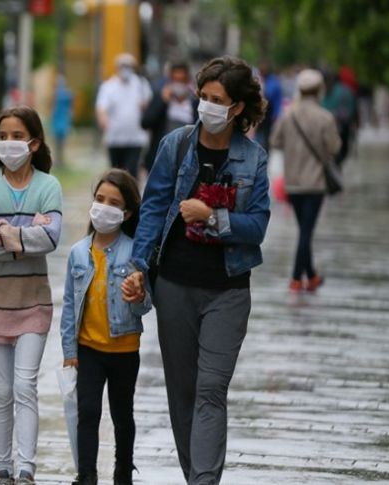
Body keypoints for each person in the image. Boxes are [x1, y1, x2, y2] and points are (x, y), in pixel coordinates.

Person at [122, 56, 270, 484]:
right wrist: (137, 267)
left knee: (210, 391)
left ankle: (204, 481)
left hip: (228, 291)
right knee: (183, 394)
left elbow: (257, 227)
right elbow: (152, 211)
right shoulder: (176, 145)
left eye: (217, 99)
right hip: (174, 287)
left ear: (237, 107)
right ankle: (196, 476)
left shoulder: (254, 160)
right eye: (203, 97)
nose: (207, 106)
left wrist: (211, 216)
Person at [0, 106, 63, 485]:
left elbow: (52, 239)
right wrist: (26, 235)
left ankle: (26, 469)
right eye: (3, 136)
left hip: (34, 300)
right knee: (1, 390)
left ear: (34, 142)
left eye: (17, 136)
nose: (9, 143)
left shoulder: (48, 186)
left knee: (26, 385)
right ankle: (2, 469)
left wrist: (4, 230)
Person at [60, 168, 151, 485]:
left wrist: (139, 294)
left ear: (126, 213)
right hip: (88, 350)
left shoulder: (136, 252)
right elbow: (70, 305)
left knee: (122, 415)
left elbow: (145, 305)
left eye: (114, 202)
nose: (104, 207)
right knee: (87, 412)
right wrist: (69, 350)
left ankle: (123, 471)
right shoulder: (77, 253)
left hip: (124, 349)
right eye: (99, 199)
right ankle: (86, 473)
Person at [269, 69, 341, 292]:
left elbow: (275, 140)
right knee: (306, 232)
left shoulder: (287, 115)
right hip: (315, 183)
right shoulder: (325, 117)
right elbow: (334, 147)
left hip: (292, 182)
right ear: (319, 90)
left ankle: (311, 274)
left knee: (304, 229)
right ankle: (296, 278)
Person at [96, 53, 153, 176]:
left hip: (135, 138)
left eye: (128, 65)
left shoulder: (141, 84)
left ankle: (131, 194)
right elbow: (101, 107)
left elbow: (149, 105)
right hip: (115, 138)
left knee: (131, 171)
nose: (126, 69)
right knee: (116, 172)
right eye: (123, 65)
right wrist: (103, 120)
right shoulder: (109, 86)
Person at [142, 61, 197, 177]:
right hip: (162, 156)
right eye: (175, 80)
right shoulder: (161, 97)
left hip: (186, 158)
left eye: (182, 80)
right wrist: (162, 101)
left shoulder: (195, 101)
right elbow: (145, 122)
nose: (178, 84)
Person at [323, 66, 358, 165]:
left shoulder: (324, 91)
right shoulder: (346, 91)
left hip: (332, 127)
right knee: (340, 152)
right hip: (342, 127)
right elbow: (352, 110)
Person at [254, 61, 282, 152]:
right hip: (258, 113)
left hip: (268, 115)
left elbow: (276, 99)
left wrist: (276, 114)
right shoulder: (257, 79)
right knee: (258, 137)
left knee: (266, 138)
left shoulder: (273, 81)